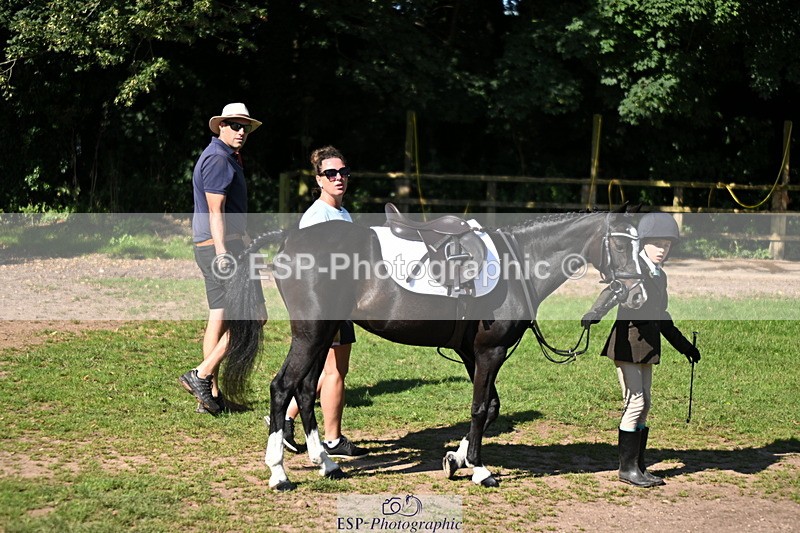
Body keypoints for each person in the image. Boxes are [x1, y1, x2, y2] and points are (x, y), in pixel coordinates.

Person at [582, 212, 701, 487]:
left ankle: (639, 464)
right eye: (657, 244)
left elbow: (662, 317)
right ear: (643, 244)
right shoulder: (633, 271)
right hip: (626, 344)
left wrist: (684, 346)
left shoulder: (660, 277)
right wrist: (595, 312)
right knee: (635, 402)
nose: (662, 250)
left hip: (647, 347)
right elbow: (611, 292)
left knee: (644, 403)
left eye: (667, 245)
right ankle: (627, 469)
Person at [276, 145, 367, 458]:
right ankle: (331, 439)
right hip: (328, 303)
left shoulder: (342, 213)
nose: (338, 177)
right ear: (319, 179)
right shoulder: (317, 216)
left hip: (344, 300)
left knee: (325, 370)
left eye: (343, 172)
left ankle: (287, 420)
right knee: (333, 372)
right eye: (331, 173)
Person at [179, 103, 267, 415]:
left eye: (245, 126)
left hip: (218, 245)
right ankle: (202, 375)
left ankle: (210, 397)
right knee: (253, 319)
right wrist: (222, 254)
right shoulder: (218, 160)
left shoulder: (222, 156)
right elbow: (215, 210)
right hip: (222, 249)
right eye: (234, 125)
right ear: (221, 126)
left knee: (220, 315)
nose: (241, 131)